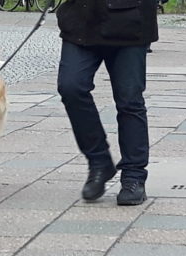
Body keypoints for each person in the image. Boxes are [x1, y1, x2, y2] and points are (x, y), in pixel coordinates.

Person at [56, 0, 158, 205]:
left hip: (130, 21)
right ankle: (99, 161)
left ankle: (133, 175)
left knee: (129, 100)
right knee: (71, 86)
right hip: (81, 21)